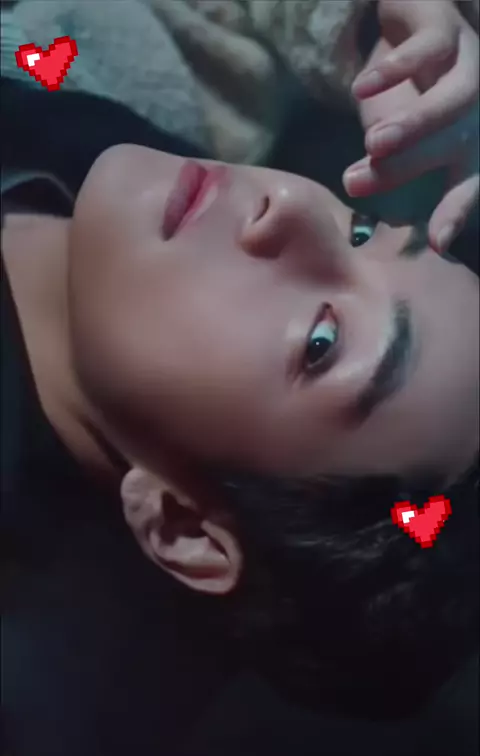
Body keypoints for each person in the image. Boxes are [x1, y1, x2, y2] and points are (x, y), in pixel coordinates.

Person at [1, 3, 478, 755]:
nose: (288, 202)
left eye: (321, 342)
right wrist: (371, 34)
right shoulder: (167, 107)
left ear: (185, 528)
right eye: (361, 233)